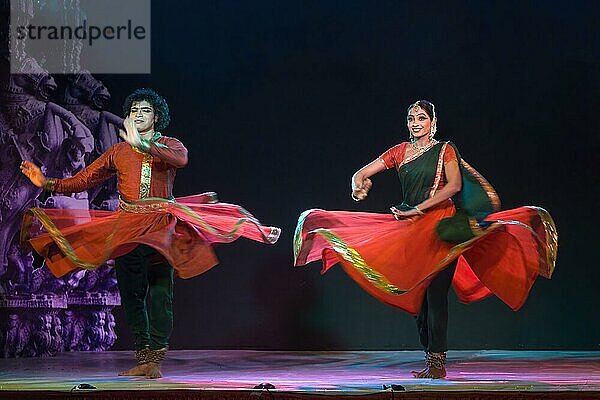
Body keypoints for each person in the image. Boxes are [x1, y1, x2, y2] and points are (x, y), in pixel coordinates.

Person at [20, 88, 281, 379]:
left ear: (157, 116)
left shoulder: (171, 145)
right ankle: (143, 357)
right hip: (126, 229)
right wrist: (47, 182)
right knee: (132, 295)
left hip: (160, 228)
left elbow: (180, 160)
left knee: (160, 293)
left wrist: (143, 145)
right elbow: (84, 179)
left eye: (145, 110)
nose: (138, 115)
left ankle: (155, 358)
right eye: (133, 111)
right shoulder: (118, 151)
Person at [293, 100, 557, 379]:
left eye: (422, 117)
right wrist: (358, 185)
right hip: (411, 232)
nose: (416, 123)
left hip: (442, 228)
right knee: (418, 299)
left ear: (433, 122)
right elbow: (362, 172)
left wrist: (419, 208)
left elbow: (454, 186)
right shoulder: (400, 152)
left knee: (435, 294)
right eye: (411, 118)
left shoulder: (445, 150)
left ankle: (437, 361)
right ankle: (430, 354)